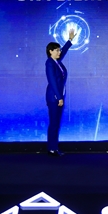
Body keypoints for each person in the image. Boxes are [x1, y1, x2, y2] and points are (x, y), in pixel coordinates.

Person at [45, 28, 77, 157]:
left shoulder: (56, 62)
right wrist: (59, 97)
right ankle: (52, 149)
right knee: (54, 123)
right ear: (50, 51)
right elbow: (52, 81)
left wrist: (70, 40)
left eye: (59, 50)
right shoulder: (49, 63)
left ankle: (54, 147)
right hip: (54, 97)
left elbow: (63, 51)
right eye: (57, 50)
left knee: (56, 123)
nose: (59, 52)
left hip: (59, 96)